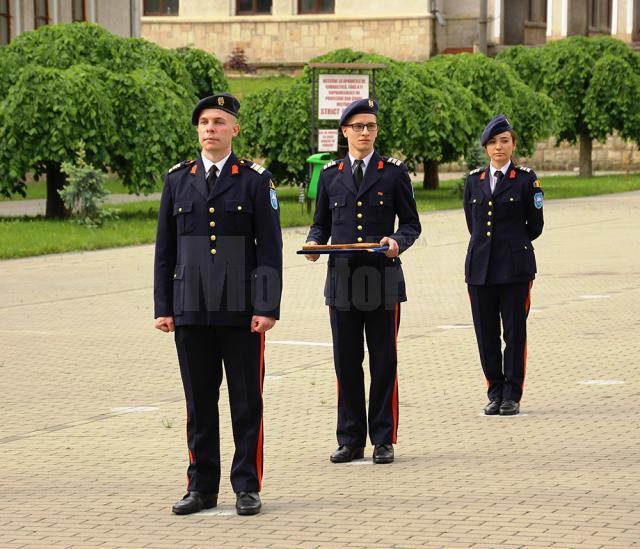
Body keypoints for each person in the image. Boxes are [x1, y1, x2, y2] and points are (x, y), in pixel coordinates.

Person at [153, 93, 282, 516]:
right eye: (205, 122)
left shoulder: (255, 181)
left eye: (219, 122)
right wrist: (164, 306)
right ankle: (201, 487)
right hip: (190, 307)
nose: (210, 128)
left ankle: (247, 486)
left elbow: (269, 250)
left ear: (234, 130)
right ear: (197, 129)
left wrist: (266, 306)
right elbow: (164, 250)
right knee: (198, 404)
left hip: (242, 310)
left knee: (246, 403)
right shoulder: (177, 180)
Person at [305, 98, 421, 464]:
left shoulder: (393, 172)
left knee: (384, 361)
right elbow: (321, 222)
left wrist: (396, 243)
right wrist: (313, 242)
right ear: (345, 132)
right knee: (346, 362)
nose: (365, 132)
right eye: (358, 127)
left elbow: (411, 224)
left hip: (382, 279)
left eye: (370, 126)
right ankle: (350, 439)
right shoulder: (330, 174)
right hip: (341, 280)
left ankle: (383, 439)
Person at [463, 114, 544, 416]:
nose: (499, 147)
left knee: (514, 332)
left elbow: (535, 225)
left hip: (514, 268)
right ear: (486, 148)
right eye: (493, 142)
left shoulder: (526, 180)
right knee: (486, 333)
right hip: (480, 268)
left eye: (504, 141)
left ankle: (512, 392)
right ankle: (494, 390)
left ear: (513, 145)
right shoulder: (475, 181)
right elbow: (472, 225)